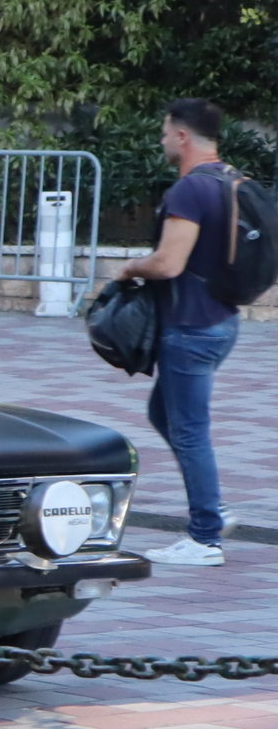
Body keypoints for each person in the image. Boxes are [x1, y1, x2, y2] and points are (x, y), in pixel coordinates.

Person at [122, 97, 244, 566]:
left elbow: (168, 262)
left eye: (164, 131)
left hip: (190, 328)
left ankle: (204, 537)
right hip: (221, 322)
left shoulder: (191, 190)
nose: (161, 140)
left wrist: (129, 268)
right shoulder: (232, 181)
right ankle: (211, 506)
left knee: (190, 431)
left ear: (183, 137)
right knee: (165, 415)